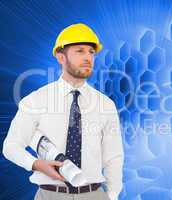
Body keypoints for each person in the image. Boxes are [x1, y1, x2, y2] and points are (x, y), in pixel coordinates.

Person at [2, 23, 124, 200]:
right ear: (61, 57)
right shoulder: (36, 100)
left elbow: (114, 157)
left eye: (91, 52)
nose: (88, 57)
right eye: (80, 51)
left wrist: (112, 196)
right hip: (50, 194)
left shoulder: (106, 104)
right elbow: (11, 146)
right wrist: (35, 164)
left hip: (94, 195)